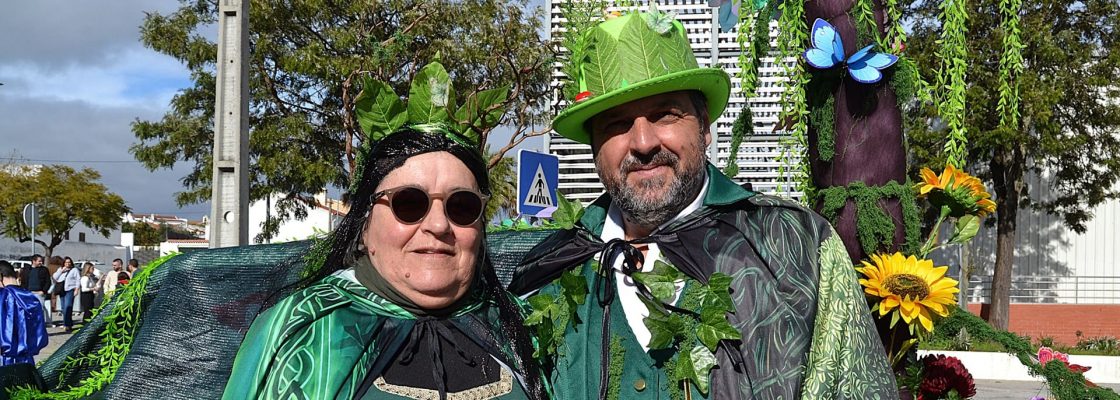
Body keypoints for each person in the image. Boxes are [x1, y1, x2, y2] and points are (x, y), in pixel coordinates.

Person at [508, 11, 896, 399]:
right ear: (595, 148)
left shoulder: (799, 249)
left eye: (665, 114)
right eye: (616, 124)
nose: (643, 143)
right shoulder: (549, 277)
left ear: (705, 127)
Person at [224, 125, 547, 399]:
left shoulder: (520, 326)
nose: (438, 225)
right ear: (364, 226)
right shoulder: (307, 327)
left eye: (461, 207)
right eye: (409, 204)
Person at [1, 261, 48, 366]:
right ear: (16, 275)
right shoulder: (31, 298)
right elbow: (40, 333)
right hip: (26, 361)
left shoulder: (2, 297)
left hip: (3, 361)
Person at [18, 255, 51, 327]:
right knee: (28, 309)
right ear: (34, 261)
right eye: (39, 261)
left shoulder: (44, 270)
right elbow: (22, 281)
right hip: (28, 293)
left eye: (41, 261)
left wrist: (43, 291)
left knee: (40, 310)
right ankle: (30, 324)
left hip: (39, 293)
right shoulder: (26, 270)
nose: (41, 262)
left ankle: (39, 325)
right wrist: (23, 291)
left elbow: (48, 281)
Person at [52, 257, 81, 332]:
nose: (67, 264)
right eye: (66, 262)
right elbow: (54, 277)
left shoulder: (74, 270)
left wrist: (76, 289)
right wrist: (61, 271)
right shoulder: (60, 269)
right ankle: (67, 323)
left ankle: (67, 325)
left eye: (69, 262)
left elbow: (78, 279)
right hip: (62, 290)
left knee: (68, 306)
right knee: (63, 308)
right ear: (63, 263)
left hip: (70, 289)